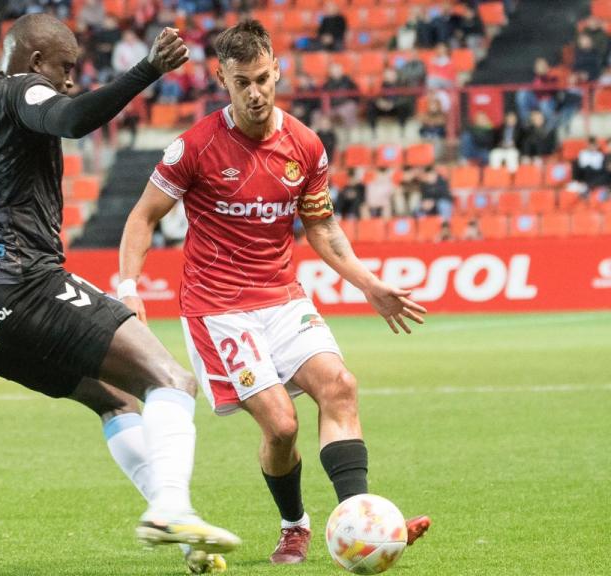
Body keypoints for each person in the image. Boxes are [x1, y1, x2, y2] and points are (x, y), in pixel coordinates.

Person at [0, 13, 239, 572]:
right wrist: (147, 70)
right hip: (27, 287)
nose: (68, 80)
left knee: (115, 400)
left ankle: (184, 536)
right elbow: (71, 117)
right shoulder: (24, 88)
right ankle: (172, 506)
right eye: (65, 68)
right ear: (36, 61)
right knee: (173, 379)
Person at [117, 20, 431, 566]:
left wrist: (370, 286)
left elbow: (322, 229)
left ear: (277, 70)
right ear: (223, 80)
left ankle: (363, 524)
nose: (256, 92)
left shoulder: (305, 146)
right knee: (282, 425)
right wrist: (128, 287)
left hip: (283, 297)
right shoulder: (194, 146)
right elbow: (143, 216)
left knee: (340, 386)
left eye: (263, 78)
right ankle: (295, 525)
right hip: (219, 309)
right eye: (243, 82)